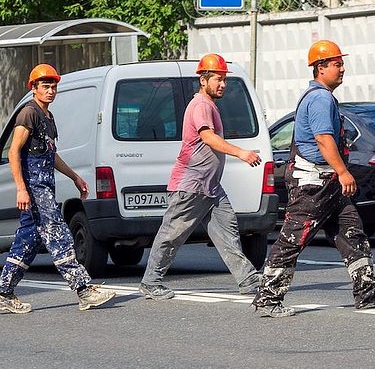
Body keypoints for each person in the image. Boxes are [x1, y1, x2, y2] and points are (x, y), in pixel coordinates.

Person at [252, 40, 375, 318]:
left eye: (341, 63)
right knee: (294, 238)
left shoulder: (322, 96)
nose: (342, 69)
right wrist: (343, 171)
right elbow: (322, 139)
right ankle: (268, 297)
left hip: (327, 183)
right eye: (336, 64)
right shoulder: (320, 98)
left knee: (351, 232)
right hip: (314, 183)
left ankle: (366, 291)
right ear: (320, 68)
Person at [139, 53, 263, 300]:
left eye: (224, 79)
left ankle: (248, 280)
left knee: (228, 233)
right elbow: (208, 137)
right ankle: (151, 282)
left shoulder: (209, 105)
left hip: (211, 187)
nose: (223, 84)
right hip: (191, 185)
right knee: (172, 234)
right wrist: (241, 152)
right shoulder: (201, 105)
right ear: (203, 80)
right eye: (218, 79)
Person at [0, 64, 116, 314]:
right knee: (59, 234)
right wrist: (21, 189)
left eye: (53, 86)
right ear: (33, 88)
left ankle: (4, 293)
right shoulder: (28, 113)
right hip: (34, 188)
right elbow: (13, 152)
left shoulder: (48, 117)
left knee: (28, 240)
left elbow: (51, 155)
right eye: (45, 86)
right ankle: (84, 289)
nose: (51, 90)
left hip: (44, 187)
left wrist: (74, 176)